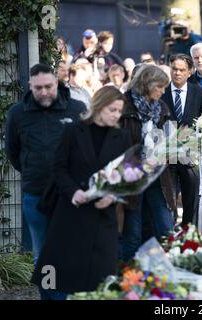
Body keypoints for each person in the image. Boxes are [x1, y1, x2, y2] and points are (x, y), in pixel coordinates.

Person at [31, 86, 132, 299]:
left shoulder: (121, 137)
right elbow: (59, 167)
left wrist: (113, 196)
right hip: (71, 212)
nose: (117, 115)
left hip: (103, 217)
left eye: (119, 111)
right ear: (99, 106)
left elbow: (126, 177)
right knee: (58, 273)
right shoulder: (73, 131)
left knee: (100, 275)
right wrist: (74, 192)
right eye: (112, 110)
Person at [5, 64, 86, 267]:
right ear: (30, 86)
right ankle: (50, 295)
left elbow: (86, 149)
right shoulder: (17, 113)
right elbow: (13, 152)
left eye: (48, 86)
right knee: (43, 255)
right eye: (38, 88)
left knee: (71, 251)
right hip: (36, 193)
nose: (44, 92)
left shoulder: (77, 109)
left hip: (69, 195)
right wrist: (32, 169)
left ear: (57, 83)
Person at [120, 65, 177, 262]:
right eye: (160, 86)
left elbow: (172, 139)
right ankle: (126, 278)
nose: (163, 91)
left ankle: (170, 273)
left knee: (166, 227)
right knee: (132, 232)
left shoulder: (162, 108)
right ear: (148, 83)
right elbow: (117, 143)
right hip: (132, 177)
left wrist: (166, 151)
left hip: (158, 177)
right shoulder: (124, 106)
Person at [161, 54, 202, 225]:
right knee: (168, 200)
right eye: (174, 69)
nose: (177, 73)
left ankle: (188, 235)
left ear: (190, 72)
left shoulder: (199, 93)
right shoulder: (161, 92)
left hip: (190, 157)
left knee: (190, 200)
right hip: (167, 157)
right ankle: (168, 234)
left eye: (182, 70)